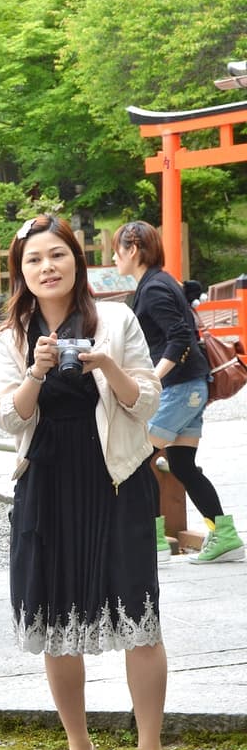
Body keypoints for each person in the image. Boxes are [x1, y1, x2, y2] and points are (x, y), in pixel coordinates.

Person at [0, 215, 193, 750]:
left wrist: (105, 365)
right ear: (21, 273)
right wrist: (37, 370)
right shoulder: (11, 336)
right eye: (34, 260)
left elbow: (145, 402)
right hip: (48, 485)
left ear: (77, 261)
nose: (46, 267)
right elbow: (7, 418)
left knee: (139, 617)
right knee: (57, 624)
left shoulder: (118, 318)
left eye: (57, 255)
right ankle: (79, 747)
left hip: (116, 481)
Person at [115, 220, 241, 565]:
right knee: (182, 465)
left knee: (140, 460)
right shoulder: (159, 282)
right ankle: (224, 535)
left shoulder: (154, 288)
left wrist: (154, 379)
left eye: (117, 250)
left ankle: (152, 541)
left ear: (133, 250)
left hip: (179, 387)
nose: (114, 257)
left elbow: (179, 337)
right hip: (191, 386)